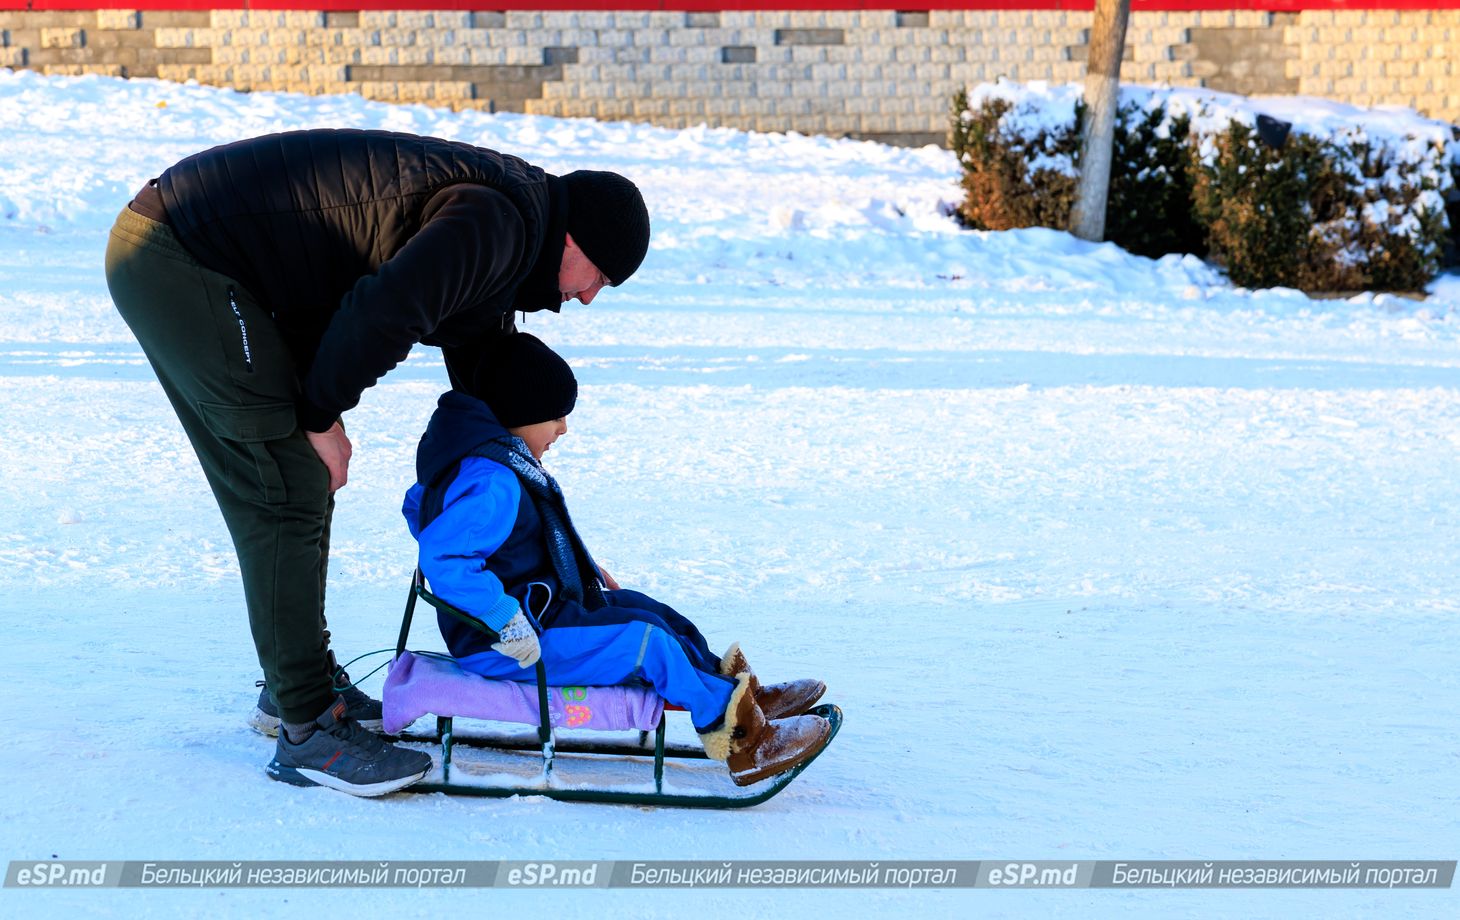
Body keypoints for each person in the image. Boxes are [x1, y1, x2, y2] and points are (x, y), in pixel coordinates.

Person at [104, 128, 651, 796]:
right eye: (602, 277)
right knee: (287, 482)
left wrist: (558, 545)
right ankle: (307, 728)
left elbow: (490, 384)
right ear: (574, 243)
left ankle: (297, 689)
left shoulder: (511, 239)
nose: (592, 297)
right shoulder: (498, 225)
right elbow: (384, 312)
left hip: (207, 257)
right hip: (182, 257)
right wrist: (319, 415)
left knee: (299, 480)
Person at [402, 333, 830, 786]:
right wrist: (502, 617)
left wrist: (575, 568)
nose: (562, 429)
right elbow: (445, 556)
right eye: (555, 416)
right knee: (646, 642)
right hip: (508, 643)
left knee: (648, 610)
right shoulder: (491, 480)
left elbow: (466, 524)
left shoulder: (494, 462)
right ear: (519, 413)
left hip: (541, 609)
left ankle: (740, 693)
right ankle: (743, 739)